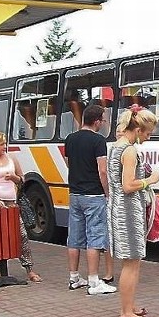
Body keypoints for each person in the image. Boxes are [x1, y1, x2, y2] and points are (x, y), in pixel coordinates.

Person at [108, 104, 159, 317]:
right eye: (147, 133)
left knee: (132, 262)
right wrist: (150, 180)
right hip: (128, 211)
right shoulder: (129, 150)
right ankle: (126, 314)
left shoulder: (116, 146)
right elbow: (128, 185)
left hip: (119, 209)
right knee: (131, 263)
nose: (148, 138)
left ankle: (130, 307)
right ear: (138, 130)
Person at [64, 105, 117, 295]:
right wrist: (107, 192)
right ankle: (94, 281)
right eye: (103, 120)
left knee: (75, 237)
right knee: (95, 237)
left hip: (75, 194)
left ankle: (74, 278)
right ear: (96, 121)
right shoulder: (98, 140)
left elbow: (69, 163)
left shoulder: (70, 138)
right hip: (93, 195)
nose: (103, 124)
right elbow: (102, 170)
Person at [0, 131, 42, 282]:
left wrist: (14, 178)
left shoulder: (12, 158)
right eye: (2, 144)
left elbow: (22, 179)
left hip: (11, 203)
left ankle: (29, 269)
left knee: (21, 235)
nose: (4, 147)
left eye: (5, 144)